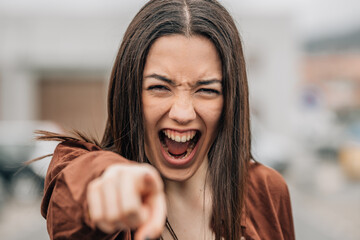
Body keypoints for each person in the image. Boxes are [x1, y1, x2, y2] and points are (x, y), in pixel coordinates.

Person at [38, 0, 295, 239]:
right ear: (129, 94)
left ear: (230, 102)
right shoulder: (83, 172)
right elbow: (72, 190)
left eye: (207, 90)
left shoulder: (267, 192)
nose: (182, 113)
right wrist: (108, 181)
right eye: (159, 87)